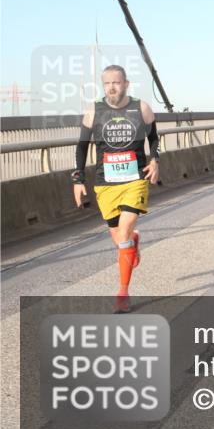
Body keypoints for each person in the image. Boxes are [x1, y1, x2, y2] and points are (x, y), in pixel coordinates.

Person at [72, 64, 159, 313]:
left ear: (126, 84)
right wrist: (78, 180)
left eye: (116, 82)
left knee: (123, 235)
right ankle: (133, 241)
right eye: (107, 83)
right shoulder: (93, 111)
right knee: (120, 240)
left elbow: (154, 139)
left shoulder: (140, 108)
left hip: (135, 180)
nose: (112, 87)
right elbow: (81, 148)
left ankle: (122, 293)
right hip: (105, 184)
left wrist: (154, 160)